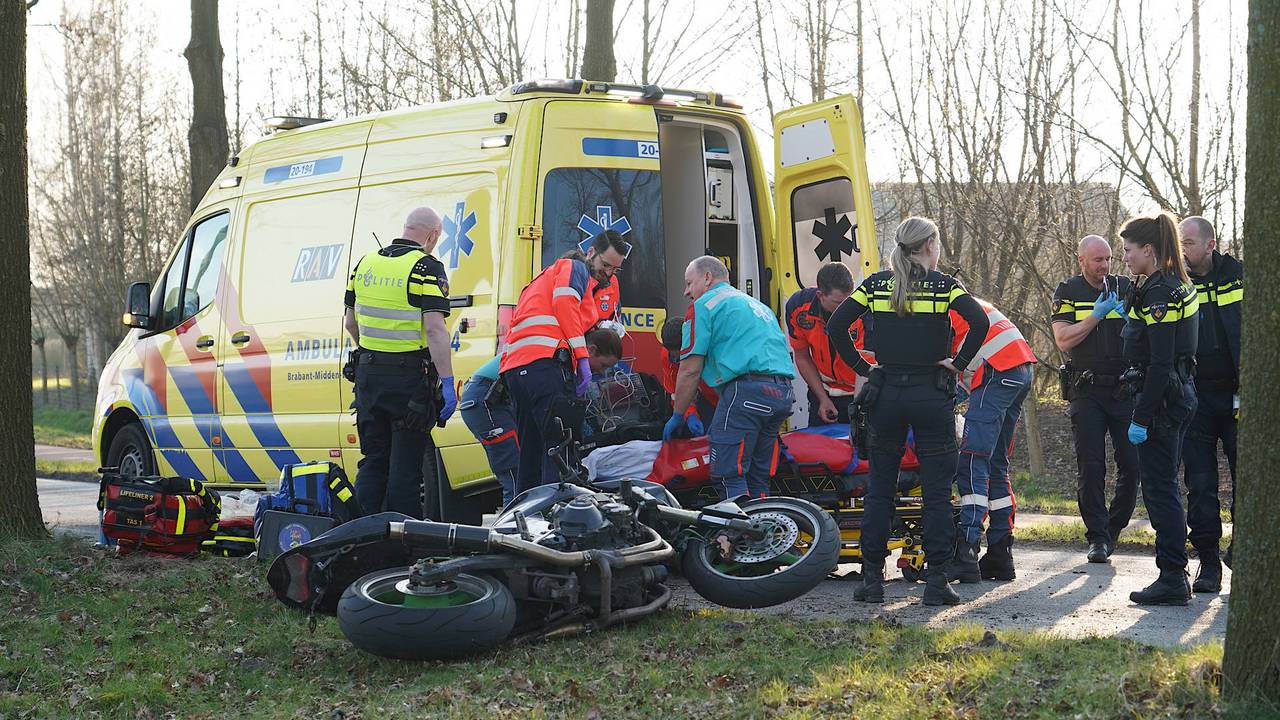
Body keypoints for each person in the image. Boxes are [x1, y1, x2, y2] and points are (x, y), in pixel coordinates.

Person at [829, 217, 989, 606]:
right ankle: (936, 582)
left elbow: (836, 327)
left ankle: (871, 582)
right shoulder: (945, 287)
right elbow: (980, 321)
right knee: (936, 494)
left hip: (886, 397)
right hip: (932, 397)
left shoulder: (874, 285)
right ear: (930, 244)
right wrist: (958, 361)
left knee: (879, 491)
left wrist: (865, 369)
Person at [342, 207, 456, 519]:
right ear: (432, 236)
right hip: (408, 382)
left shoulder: (364, 264)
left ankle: (359, 541)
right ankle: (403, 551)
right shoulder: (426, 268)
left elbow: (351, 322)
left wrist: (369, 353)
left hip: (367, 374)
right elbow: (434, 330)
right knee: (405, 468)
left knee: (373, 460)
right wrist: (447, 382)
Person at [501, 230, 630, 491]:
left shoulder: (546, 279)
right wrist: (582, 358)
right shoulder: (575, 268)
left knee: (532, 452)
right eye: (605, 265)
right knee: (560, 451)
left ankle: (526, 516)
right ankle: (558, 520)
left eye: (614, 270)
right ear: (590, 253)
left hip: (518, 370)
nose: (608, 273)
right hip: (546, 367)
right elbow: (565, 306)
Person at [1119, 211, 1199, 606]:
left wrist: (1141, 417)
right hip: (1180, 394)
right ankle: (1175, 572)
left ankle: (1172, 576)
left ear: (1148, 250)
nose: (1126, 258)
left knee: (1160, 489)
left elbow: (1160, 361)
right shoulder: (1171, 284)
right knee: (1166, 485)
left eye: (1129, 251)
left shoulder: (1158, 293)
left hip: (1163, 402)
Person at [668, 256, 796, 499]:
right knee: (758, 476)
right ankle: (765, 529)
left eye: (688, 283)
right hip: (782, 394)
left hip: (747, 392)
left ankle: (739, 535)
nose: (686, 292)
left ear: (707, 277)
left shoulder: (704, 306)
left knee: (728, 473)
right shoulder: (755, 305)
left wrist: (677, 414)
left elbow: (690, 369)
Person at [1050, 235, 1140, 564]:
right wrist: (1096, 316)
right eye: (1097, 260)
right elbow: (1063, 338)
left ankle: (1113, 529)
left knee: (1132, 464)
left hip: (1123, 389)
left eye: (1108, 259)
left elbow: (1145, 333)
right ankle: (1097, 538)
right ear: (1081, 261)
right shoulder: (1069, 291)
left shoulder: (1125, 287)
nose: (1104, 266)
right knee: (1091, 466)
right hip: (1086, 390)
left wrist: (1131, 320)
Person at [461, 328, 623, 507]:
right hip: (486, 400)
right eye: (604, 365)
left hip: (496, 398)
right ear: (590, 350)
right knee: (517, 473)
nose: (602, 372)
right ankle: (513, 528)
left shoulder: (562, 355)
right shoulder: (560, 357)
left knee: (530, 468)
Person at [945, 297, 1037, 583]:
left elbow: (946, 373)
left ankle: (967, 552)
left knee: (973, 460)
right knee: (996, 462)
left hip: (997, 371)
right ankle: (1000, 552)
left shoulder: (938, 311)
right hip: (1020, 367)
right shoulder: (967, 304)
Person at [1179, 216, 1242, 590]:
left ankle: (1241, 551)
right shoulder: (1176, 285)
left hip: (1238, 394)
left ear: (1210, 244)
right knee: (1200, 484)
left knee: (1246, 483)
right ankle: (1208, 564)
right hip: (1196, 397)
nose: (1183, 249)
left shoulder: (1242, 276)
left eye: (1188, 242)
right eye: (1179, 242)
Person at [785, 262, 872, 426]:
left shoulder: (866, 311)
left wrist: (859, 408)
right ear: (820, 295)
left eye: (850, 300)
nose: (848, 308)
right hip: (823, 392)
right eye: (839, 303)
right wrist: (822, 399)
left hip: (861, 393)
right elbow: (802, 356)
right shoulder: (798, 308)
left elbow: (868, 368)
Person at [659, 315, 718, 426]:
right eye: (676, 357)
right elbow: (677, 390)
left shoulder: (709, 349)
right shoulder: (667, 355)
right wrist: (690, 413)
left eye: (682, 356)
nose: (678, 360)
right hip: (705, 396)